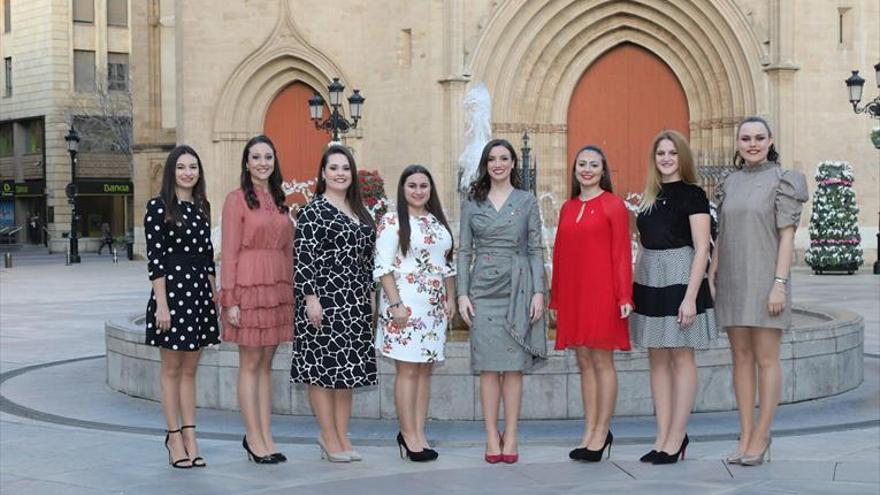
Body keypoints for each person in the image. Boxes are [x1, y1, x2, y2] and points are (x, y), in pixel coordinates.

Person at [708, 116, 808, 466]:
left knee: (766, 359)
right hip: (733, 279)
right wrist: (713, 269)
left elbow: (787, 236)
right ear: (737, 143)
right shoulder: (729, 182)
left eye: (759, 138)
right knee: (740, 359)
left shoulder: (783, 181)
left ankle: (763, 435)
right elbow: (722, 232)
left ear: (770, 141)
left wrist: (779, 284)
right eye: (746, 138)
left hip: (767, 279)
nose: (752, 144)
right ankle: (746, 433)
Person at [630, 130, 718, 465]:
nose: (666, 159)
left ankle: (678, 436)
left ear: (682, 157)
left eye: (672, 153)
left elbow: (701, 249)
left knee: (681, 358)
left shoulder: (694, 195)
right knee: (656, 359)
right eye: (660, 153)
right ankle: (662, 436)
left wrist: (691, 297)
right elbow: (642, 243)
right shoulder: (648, 196)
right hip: (650, 277)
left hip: (681, 276)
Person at [457, 139, 547, 465]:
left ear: (512, 163)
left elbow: (536, 247)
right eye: (492, 159)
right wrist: (462, 294)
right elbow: (464, 251)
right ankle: (490, 436)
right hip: (482, 290)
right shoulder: (472, 202)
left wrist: (539, 291)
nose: (498, 164)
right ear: (486, 164)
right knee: (487, 368)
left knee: (512, 369)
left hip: (518, 287)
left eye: (504, 158)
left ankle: (511, 435)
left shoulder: (527, 201)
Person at [292, 144, 377, 463]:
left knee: (348, 373)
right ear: (323, 174)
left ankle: (342, 436)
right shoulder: (313, 210)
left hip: (355, 302)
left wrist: (370, 298)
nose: (340, 173)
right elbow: (303, 258)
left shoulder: (360, 210)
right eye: (334, 168)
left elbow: (369, 261)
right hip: (324, 301)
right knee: (322, 371)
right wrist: (310, 298)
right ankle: (327, 436)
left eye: (345, 168)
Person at [549, 145, 631, 463]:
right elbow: (559, 256)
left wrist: (624, 296)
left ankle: (602, 431)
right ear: (574, 170)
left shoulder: (614, 205)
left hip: (603, 293)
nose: (586, 169)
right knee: (584, 363)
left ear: (603, 170)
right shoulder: (568, 207)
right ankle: (590, 430)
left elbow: (622, 254)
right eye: (581, 164)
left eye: (593, 165)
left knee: (602, 362)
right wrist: (556, 298)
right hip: (573, 295)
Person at [144, 145, 220, 468]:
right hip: (172, 295)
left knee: (190, 371)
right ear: (171, 172)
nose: (188, 172)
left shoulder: (203, 207)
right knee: (171, 370)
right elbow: (155, 260)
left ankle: (191, 435)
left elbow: (207, 257)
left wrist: (215, 297)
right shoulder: (158, 207)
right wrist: (162, 304)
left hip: (200, 294)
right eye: (181, 167)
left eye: (193, 167)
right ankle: (173, 436)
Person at [220, 135, 293, 465]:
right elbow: (229, 252)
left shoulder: (280, 199)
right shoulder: (236, 200)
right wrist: (230, 299)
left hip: (276, 286)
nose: (263, 163)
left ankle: (267, 435)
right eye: (256, 157)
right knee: (250, 364)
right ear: (246, 163)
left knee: (266, 365)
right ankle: (253, 437)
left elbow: (289, 250)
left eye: (268, 157)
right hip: (249, 284)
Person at [374, 165, 455, 462]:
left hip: (433, 309)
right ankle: (407, 435)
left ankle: (419, 433)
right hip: (404, 305)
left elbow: (446, 263)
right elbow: (382, 266)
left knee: (424, 371)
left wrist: (451, 298)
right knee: (407, 371)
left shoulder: (436, 222)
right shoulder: (392, 220)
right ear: (403, 189)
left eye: (424, 185)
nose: (419, 191)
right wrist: (395, 305)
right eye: (412, 185)